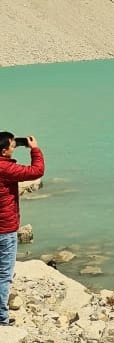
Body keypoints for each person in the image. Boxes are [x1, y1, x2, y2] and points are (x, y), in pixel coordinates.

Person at [0, 133, 45, 327]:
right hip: (5, 229)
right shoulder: (6, 168)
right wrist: (35, 149)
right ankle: (1, 319)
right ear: (3, 151)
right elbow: (37, 171)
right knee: (4, 275)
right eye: (12, 145)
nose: (14, 147)